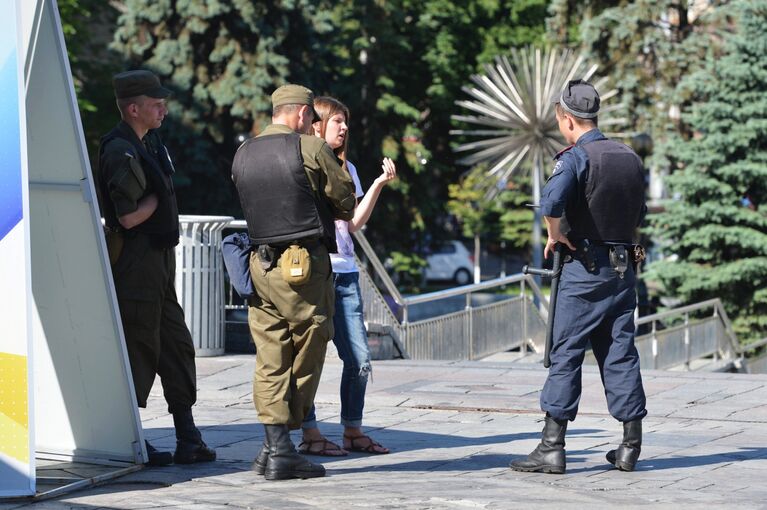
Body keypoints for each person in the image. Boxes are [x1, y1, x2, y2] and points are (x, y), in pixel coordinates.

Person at [510, 80, 648, 475]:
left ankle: (551, 448)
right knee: (620, 353)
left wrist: (555, 233)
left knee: (566, 353)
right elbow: (638, 215)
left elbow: (552, 202)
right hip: (623, 272)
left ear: (566, 119)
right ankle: (629, 446)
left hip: (583, 270)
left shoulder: (575, 158)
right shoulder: (629, 157)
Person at [231, 84, 356, 480]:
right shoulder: (311, 148)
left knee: (270, 357)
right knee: (309, 346)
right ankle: (283, 444)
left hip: (260, 264)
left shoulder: (244, 152)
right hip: (302, 266)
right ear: (302, 115)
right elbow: (345, 201)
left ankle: (273, 446)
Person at [97, 70, 216, 466]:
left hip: (159, 260)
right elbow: (128, 217)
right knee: (139, 347)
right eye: (155, 103)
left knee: (176, 345)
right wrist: (157, 205)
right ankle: (128, 437)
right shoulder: (120, 149)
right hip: (136, 262)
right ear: (133, 108)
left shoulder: (149, 142)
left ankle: (188, 436)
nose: (163, 108)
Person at [297, 97, 397, 457]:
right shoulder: (303, 166)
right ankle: (309, 432)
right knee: (309, 357)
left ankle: (352, 430)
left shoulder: (346, 168)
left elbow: (351, 223)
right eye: (337, 121)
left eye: (345, 122)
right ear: (317, 124)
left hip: (347, 273)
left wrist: (379, 184)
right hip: (314, 272)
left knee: (359, 359)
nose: (344, 128)